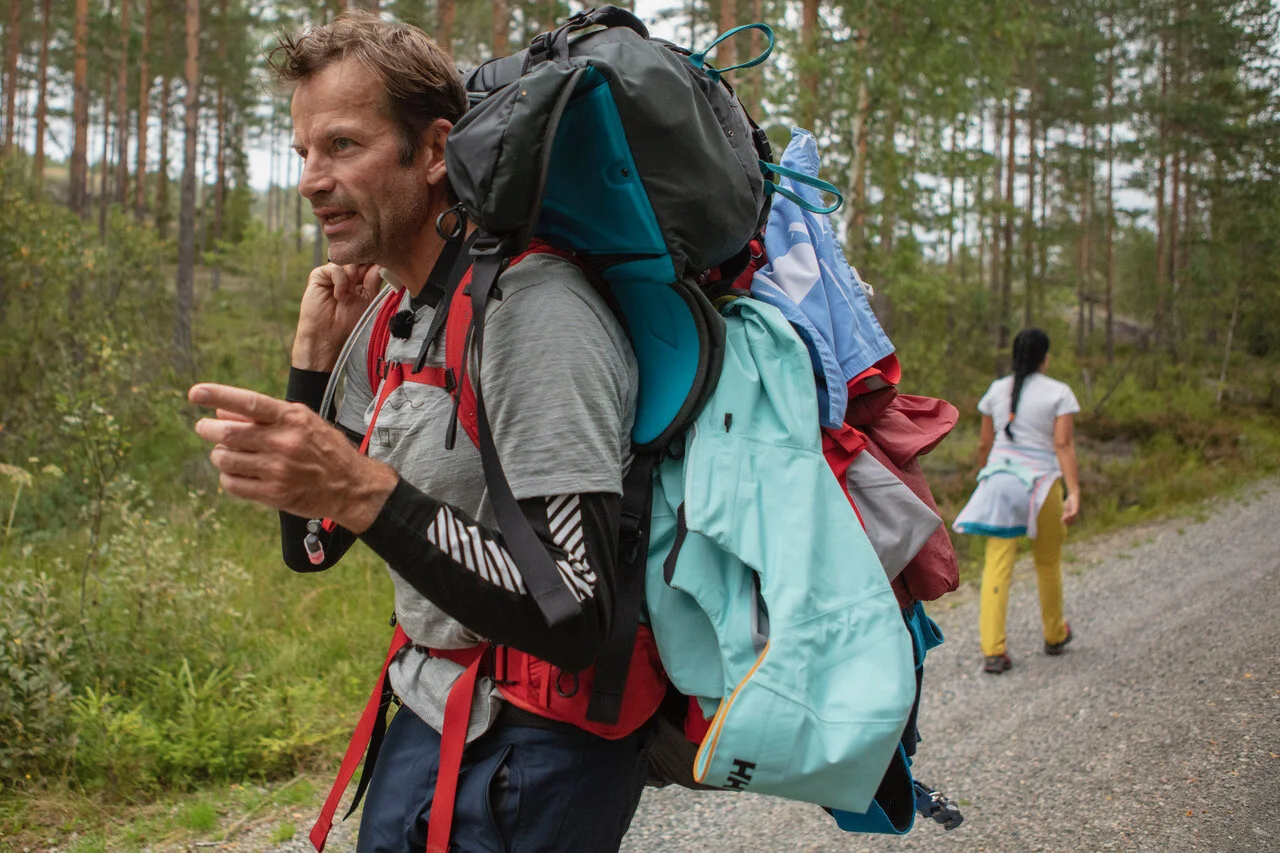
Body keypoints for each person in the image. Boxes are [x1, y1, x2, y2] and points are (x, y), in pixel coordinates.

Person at [187, 12, 652, 851]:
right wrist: (311, 365)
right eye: (303, 152)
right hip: (427, 708)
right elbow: (314, 546)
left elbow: (575, 611)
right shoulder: (393, 318)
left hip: (540, 744)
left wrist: (365, 488)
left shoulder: (536, 315)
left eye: (341, 145)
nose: (311, 180)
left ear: (435, 150)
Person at [952, 328, 1080, 675]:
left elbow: (984, 444)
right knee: (1048, 561)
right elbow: (1063, 445)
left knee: (997, 562)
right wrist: (1074, 492)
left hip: (1001, 482)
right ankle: (1055, 633)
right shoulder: (1059, 393)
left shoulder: (996, 390)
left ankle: (993, 650)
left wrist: (986, 476)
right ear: (1045, 358)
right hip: (1042, 484)